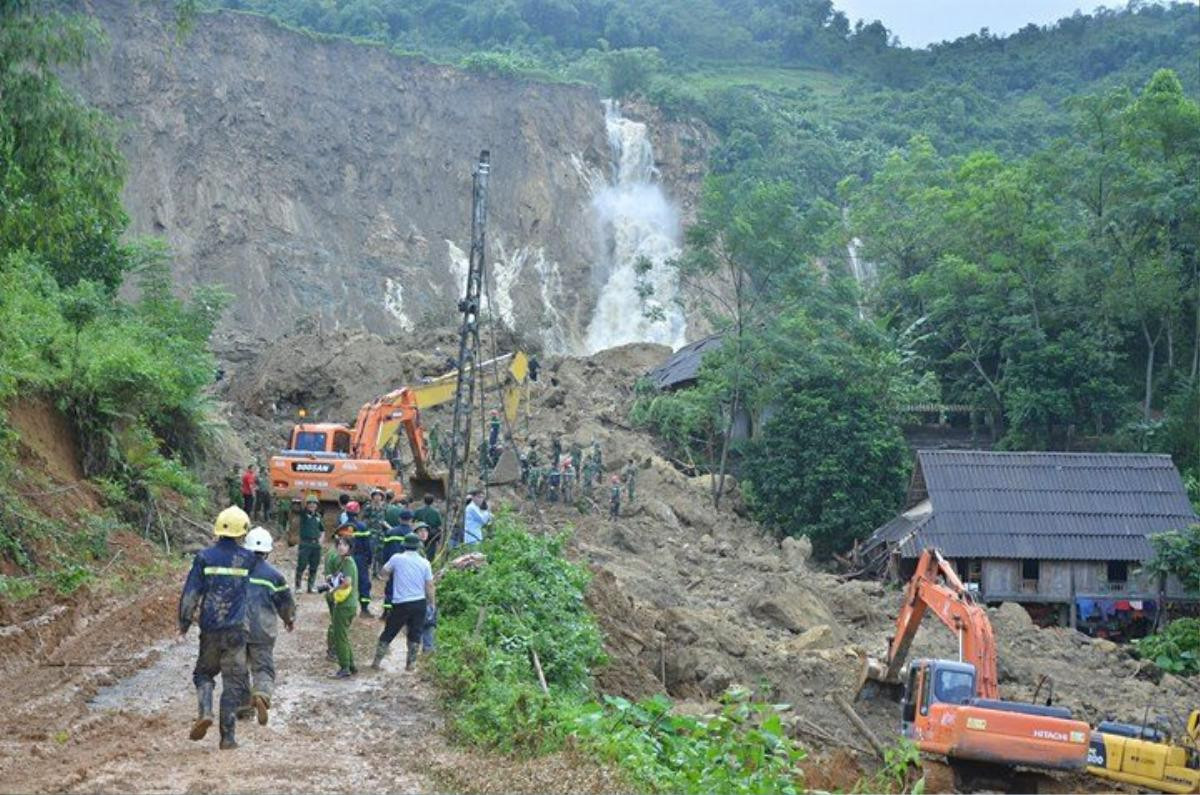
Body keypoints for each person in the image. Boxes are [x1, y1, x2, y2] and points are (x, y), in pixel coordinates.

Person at [178, 506, 255, 750]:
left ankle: (205, 711)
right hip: (236, 631)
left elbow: (190, 594)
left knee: (203, 673)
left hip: (210, 628)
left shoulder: (204, 558)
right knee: (232, 683)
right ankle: (228, 738)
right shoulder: (249, 559)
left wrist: (184, 623)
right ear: (243, 530)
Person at [238, 527, 295, 726]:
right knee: (263, 667)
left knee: (239, 669)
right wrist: (288, 620)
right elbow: (285, 603)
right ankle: (261, 694)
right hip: (262, 629)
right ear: (268, 551)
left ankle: (244, 708)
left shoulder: (235, 571)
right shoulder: (274, 576)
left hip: (236, 628)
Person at [372, 533, 435, 672]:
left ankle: (377, 661)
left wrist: (389, 577)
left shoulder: (397, 559)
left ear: (404, 545)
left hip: (401, 603)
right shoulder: (425, 563)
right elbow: (429, 585)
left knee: (389, 631)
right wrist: (432, 603)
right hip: (419, 603)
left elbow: (383, 573)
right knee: (415, 633)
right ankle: (410, 664)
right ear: (418, 547)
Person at [319, 533, 358, 678]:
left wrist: (333, 590)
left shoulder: (348, 562)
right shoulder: (344, 561)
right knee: (343, 635)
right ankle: (351, 665)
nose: (341, 547)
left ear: (350, 547)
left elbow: (347, 582)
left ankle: (344, 668)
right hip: (346, 604)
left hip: (345, 605)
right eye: (340, 544)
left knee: (339, 636)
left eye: (345, 545)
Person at [379, 509, 414, 620]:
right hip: (408, 566)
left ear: (399, 519)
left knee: (390, 588)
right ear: (411, 520)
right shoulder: (413, 535)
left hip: (393, 564)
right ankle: (401, 615)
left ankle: (386, 612)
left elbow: (384, 550)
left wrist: (385, 564)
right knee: (405, 589)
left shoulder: (391, 532)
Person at [341, 501, 373, 617]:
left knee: (345, 580)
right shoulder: (362, 527)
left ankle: (344, 607)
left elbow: (338, 544)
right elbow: (367, 545)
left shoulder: (343, 527)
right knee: (363, 582)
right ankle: (364, 610)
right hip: (360, 559)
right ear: (357, 512)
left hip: (346, 557)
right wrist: (369, 559)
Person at [295, 495, 323, 592]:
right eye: (310, 503)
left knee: (314, 566)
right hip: (305, 543)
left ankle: (310, 587)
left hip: (316, 545)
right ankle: (298, 587)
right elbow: (298, 506)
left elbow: (322, 530)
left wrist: (321, 540)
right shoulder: (304, 514)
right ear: (306, 505)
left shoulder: (318, 517)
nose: (312, 505)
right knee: (301, 565)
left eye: (314, 503)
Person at [362, 489, 390, 578]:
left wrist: (389, 527)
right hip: (371, 533)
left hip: (380, 533)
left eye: (379, 496)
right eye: (376, 495)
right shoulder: (368, 507)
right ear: (372, 497)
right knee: (371, 553)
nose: (377, 497)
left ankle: (376, 572)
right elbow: (364, 519)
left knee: (379, 554)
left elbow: (383, 519)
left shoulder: (383, 507)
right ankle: (369, 572)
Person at [412, 494, 443, 560]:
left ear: (423, 501)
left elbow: (413, 522)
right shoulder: (435, 512)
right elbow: (439, 525)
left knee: (419, 549)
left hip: (420, 532)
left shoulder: (418, 511)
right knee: (431, 552)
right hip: (432, 534)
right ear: (433, 501)